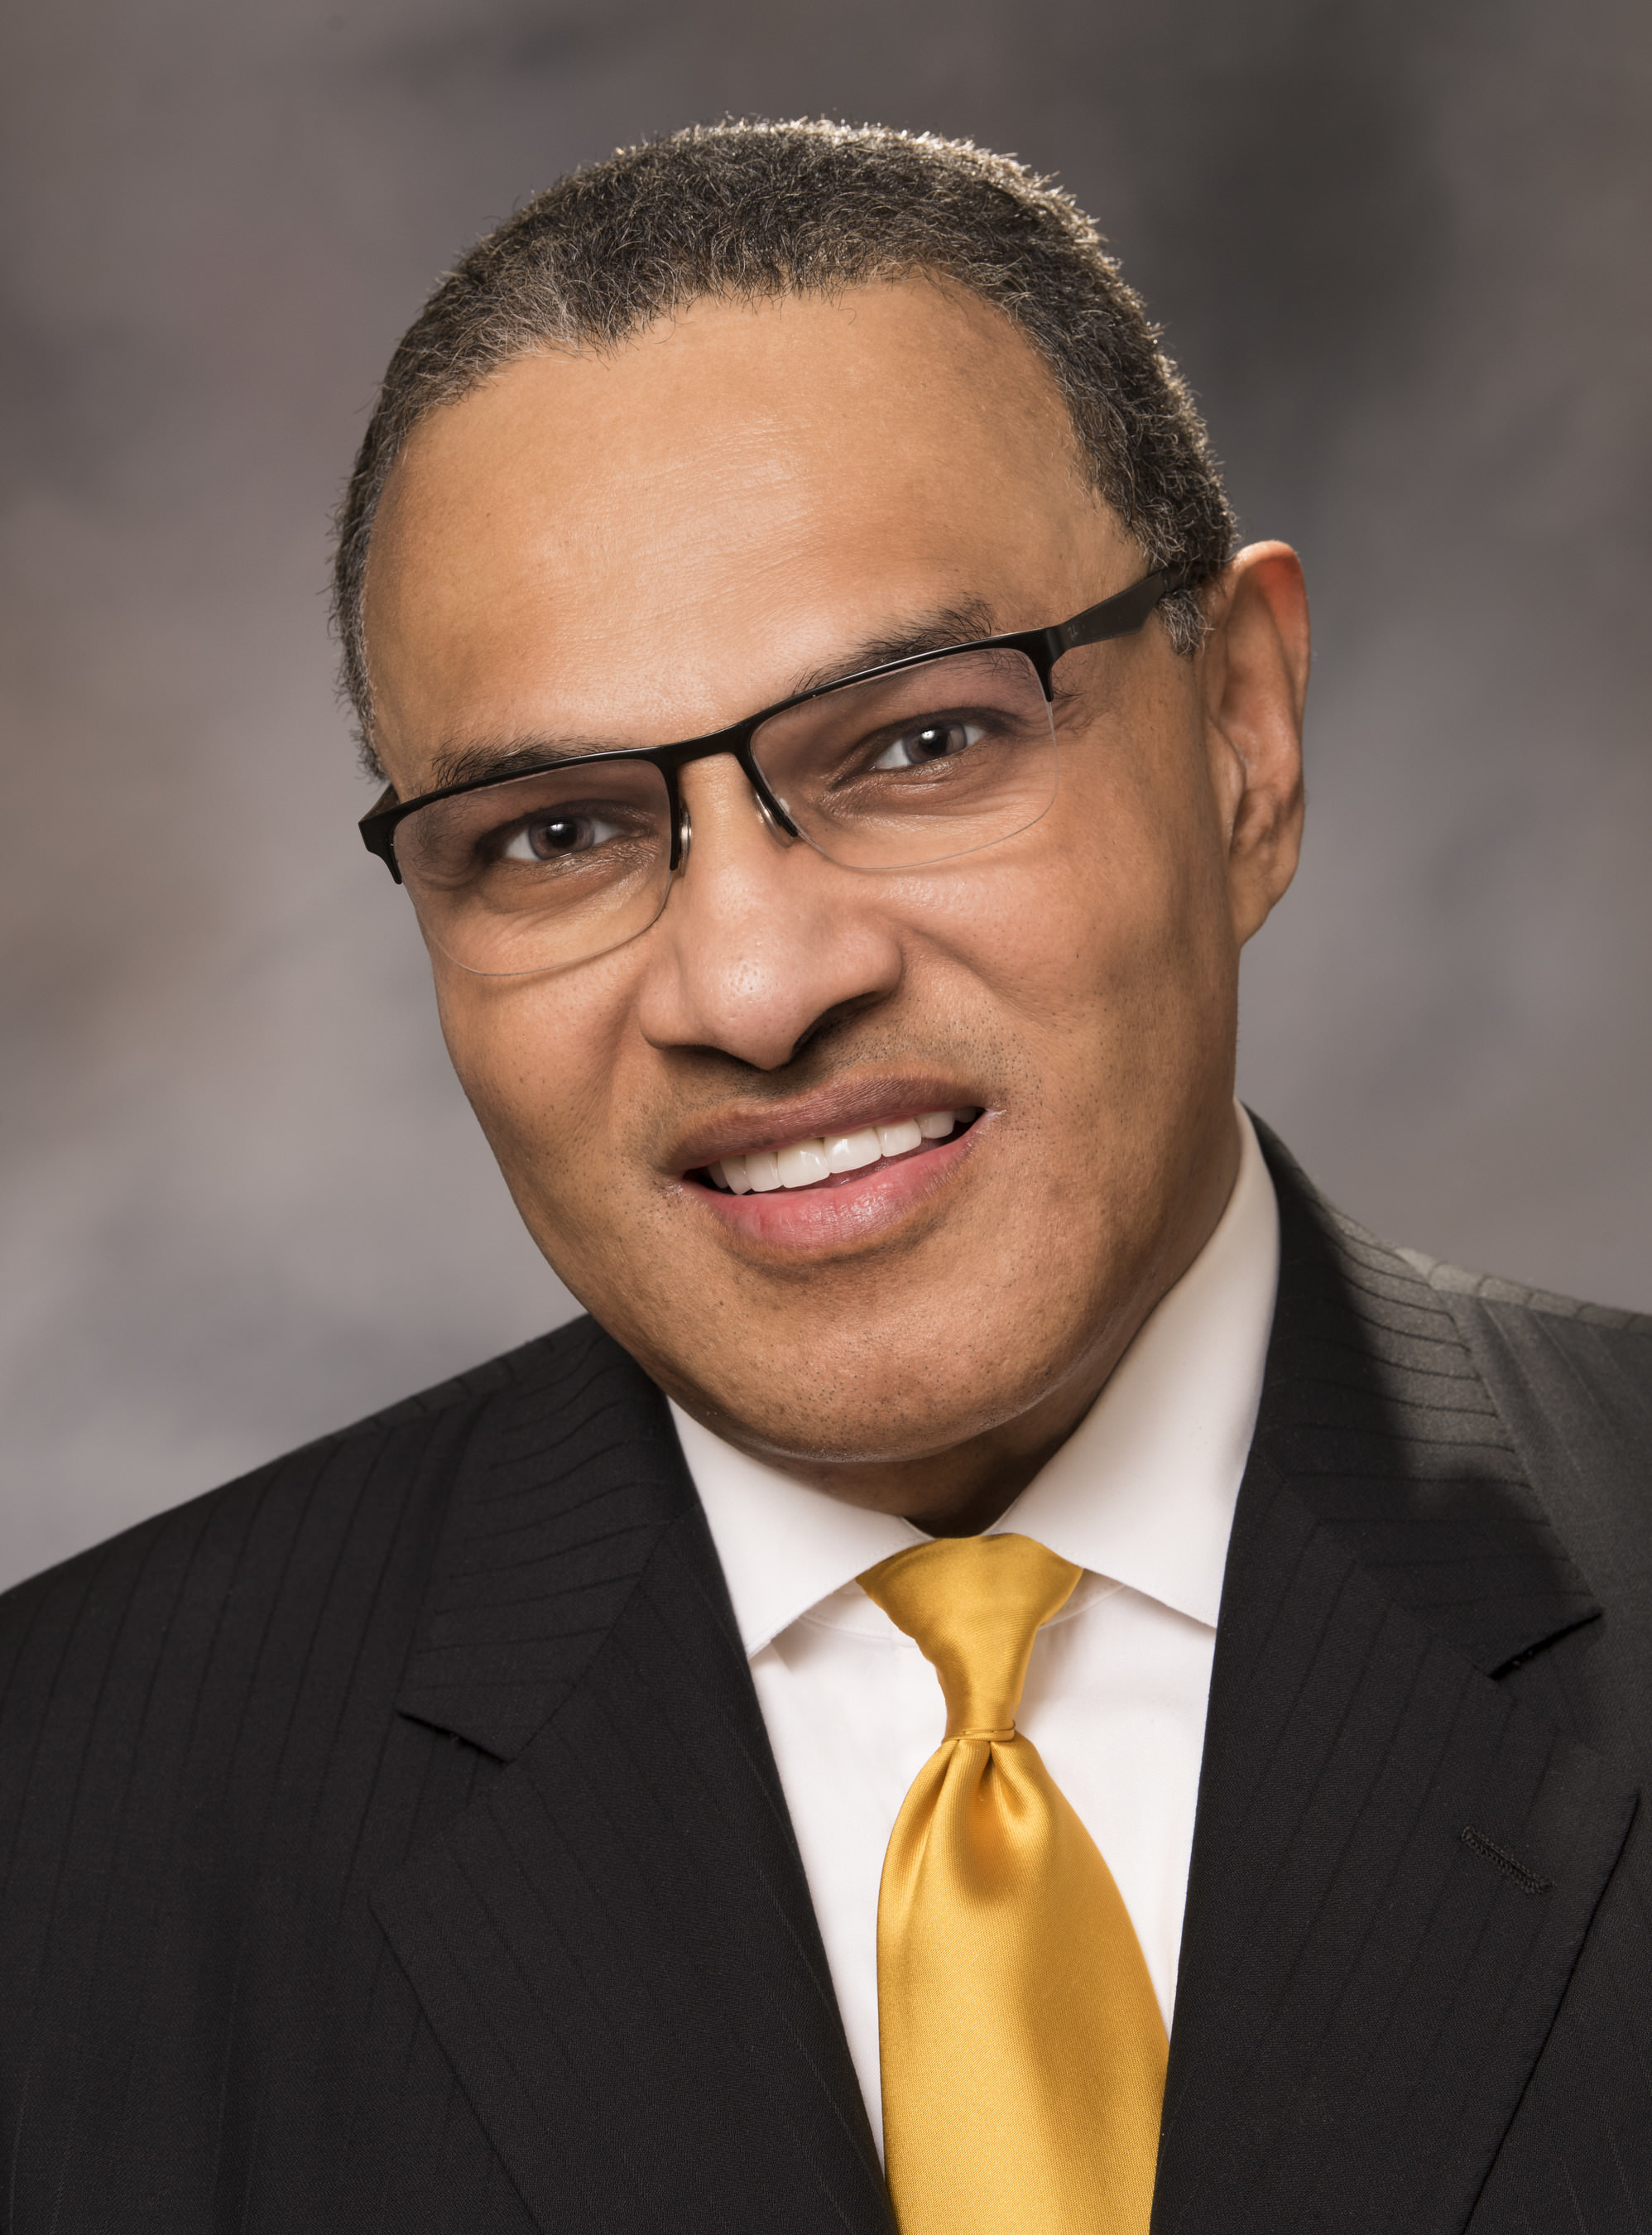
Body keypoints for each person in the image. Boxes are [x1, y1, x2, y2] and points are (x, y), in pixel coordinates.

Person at [0, 119, 1646, 2235]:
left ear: (1243, 730)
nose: (756, 986)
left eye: (918, 741)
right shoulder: (62, 1833)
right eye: (554, 834)